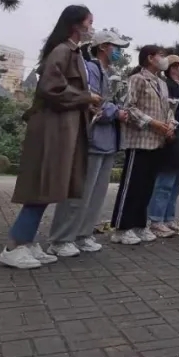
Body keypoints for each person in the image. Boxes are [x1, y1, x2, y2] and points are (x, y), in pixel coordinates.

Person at [0, 5, 101, 270]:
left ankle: (27, 241)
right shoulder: (62, 50)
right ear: (76, 24)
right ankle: (14, 246)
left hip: (63, 128)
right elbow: (51, 88)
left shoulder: (73, 52)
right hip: (52, 129)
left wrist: (86, 103)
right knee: (42, 186)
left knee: (49, 186)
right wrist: (86, 97)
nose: (92, 27)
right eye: (89, 22)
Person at [46, 29, 131, 257]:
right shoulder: (90, 69)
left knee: (96, 195)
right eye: (115, 47)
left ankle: (83, 235)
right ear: (102, 47)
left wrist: (118, 110)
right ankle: (61, 238)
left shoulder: (109, 74)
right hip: (92, 140)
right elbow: (92, 102)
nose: (118, 52)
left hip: (108, 142)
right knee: (79, 193)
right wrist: (115, 112)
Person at [109, 45, 175, 244]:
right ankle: (122, 228)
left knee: (147, 187)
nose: (164, 59)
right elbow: (129, 107)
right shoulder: (137, 78)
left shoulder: (162, 83)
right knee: (132, 186)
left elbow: (168, 109)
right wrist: (152, 123)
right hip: (139, 141)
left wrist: (170, 125)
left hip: (157, 142)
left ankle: (139, 225)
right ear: (150, 58)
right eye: (161, 55)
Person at [147, 54, 179, 238]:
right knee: (165, 183)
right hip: (173, 139)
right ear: (173, 68)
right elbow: (167, 111)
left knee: (177, 182)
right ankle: (156, 220)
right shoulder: (167, 86)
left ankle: (168, 218)